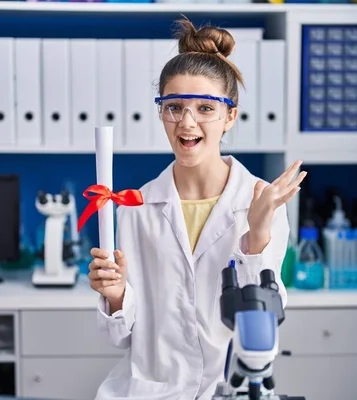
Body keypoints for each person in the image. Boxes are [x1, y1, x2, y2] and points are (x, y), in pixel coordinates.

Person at [87, 18, 307, 400]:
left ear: (230, 116)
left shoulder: (257, 201)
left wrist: (256, 234)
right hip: (147, 392)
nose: (187, 122)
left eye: (206, 107)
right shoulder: (135, 208)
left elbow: (261, 321)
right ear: (161, 113)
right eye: (173, 107)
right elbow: (121, 337)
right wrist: (118, 294)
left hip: (227, 390)